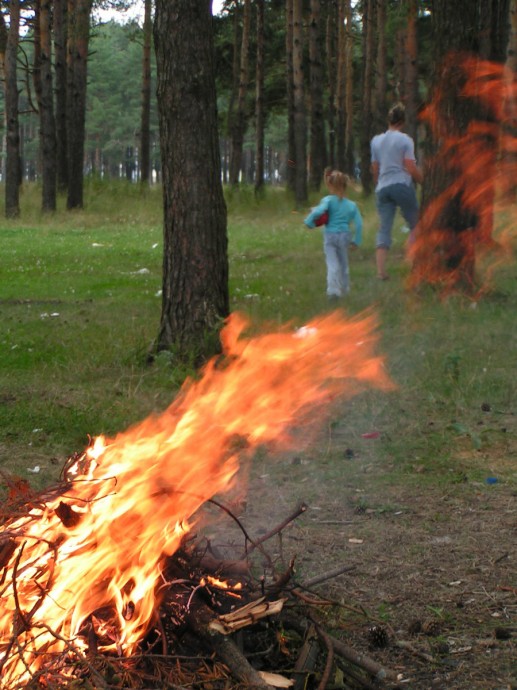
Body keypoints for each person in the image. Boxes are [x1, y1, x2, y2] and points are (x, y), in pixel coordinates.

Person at [371, 102, 423, 280]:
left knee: (384, 228)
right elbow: (410, 167)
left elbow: (375, 168)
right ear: (403, 121)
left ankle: (380, 271)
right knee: (416, 224)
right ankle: (411, 263)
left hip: (382, 187)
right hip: (400, 184)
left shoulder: (376, 141)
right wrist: (423, 182)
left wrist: (378, 186)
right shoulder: (405, 140)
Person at [304, 169, 363, 301]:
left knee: (332, 264)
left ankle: (333, 291)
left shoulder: (328, 200)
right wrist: (356, 241)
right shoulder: (352, 205)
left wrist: (309, 222)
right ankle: (345, 289)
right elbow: (359, 224)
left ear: (330, 186)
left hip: (330, 235)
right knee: (343, 263)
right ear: (345, 185)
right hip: (345, 236)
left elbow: (319, 211)